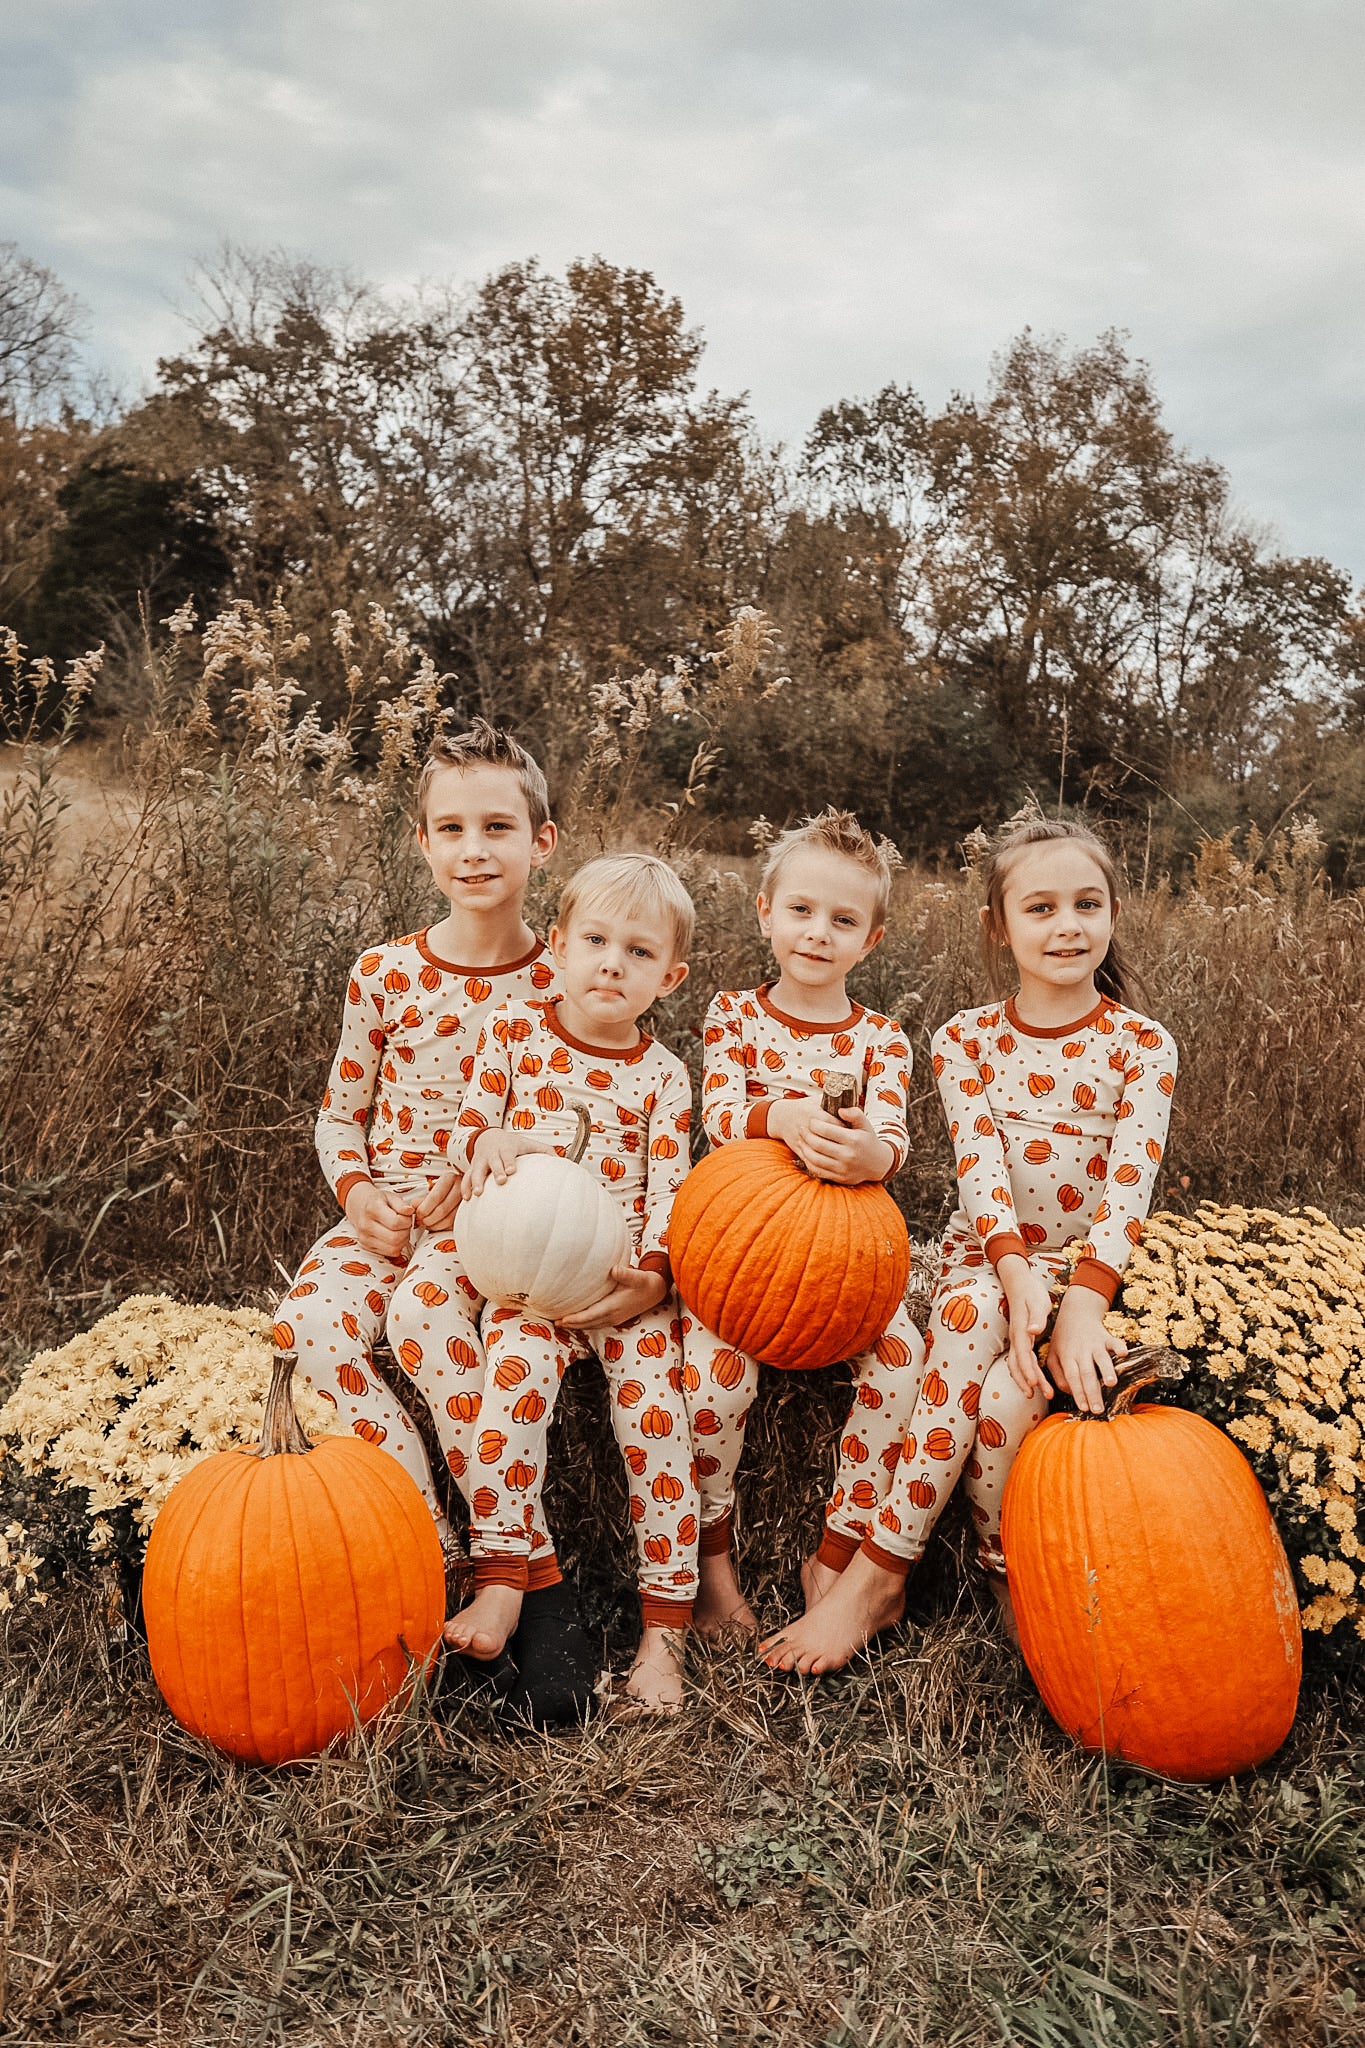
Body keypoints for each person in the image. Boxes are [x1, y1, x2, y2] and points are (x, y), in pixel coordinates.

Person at [762, 813, 1178, 1673]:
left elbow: (1126, 1191)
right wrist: (1016, 1275)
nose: (1066, 925)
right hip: (982, 1259)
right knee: (971, 1314)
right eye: (1040, 907)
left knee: (1004, 1402)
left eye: (1086, 904)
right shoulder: (964, 1040)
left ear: (1111, 914)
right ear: (999, 924)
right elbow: (981, 1180)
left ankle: (979, 1576)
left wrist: (1076, 1311)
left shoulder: (1142, 1045)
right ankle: (891, 1575)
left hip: (1088, 1275)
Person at [273, 721, 557, 1535]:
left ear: (541, 842)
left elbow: (568, 1119)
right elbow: (339, 1117)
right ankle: (422, 1536)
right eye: (452, 829)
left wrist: (477, 1184)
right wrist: (357, 1193)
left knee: (425, 1322)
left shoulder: (560, 983)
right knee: (308, 1330)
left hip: (490, 1221)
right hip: (382, 1216)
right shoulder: (385, 973)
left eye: (497, 827)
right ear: (423, 843)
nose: (474, 850)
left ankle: (514, 1541)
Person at [442, 854, 697, 1714]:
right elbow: (470, 1131)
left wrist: (652, 1278)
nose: (611, 964)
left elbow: (672, 1193)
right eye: (594, 940)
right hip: (529, 1286)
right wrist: (487, 1144)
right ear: (555, 945)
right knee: (506, 1391)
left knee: (659, 1427)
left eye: (637, 951)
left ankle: (665, 1635)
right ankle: (504, 1571)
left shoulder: (663, 1076)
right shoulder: (513, 1034)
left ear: (671, 976)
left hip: (623, 1293)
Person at [679, 809, 926, 1642]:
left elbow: (890, 1139)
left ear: (871, 939)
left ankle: (835, 1551)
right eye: (801, 911)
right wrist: (780, 1116)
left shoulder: (880, 1042)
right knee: (713, 1381)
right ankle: (711, 1565)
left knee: (901, 1361)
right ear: (764, 912)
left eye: (843, 920)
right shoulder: (733, 1016)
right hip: (737, 1255)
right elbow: (719, 1115)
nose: (818, 934)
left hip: (843, 1258)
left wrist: (869, 1160)